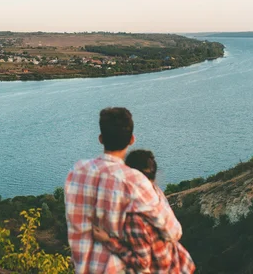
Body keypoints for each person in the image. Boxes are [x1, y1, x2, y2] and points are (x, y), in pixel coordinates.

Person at [65, 107, 182, 274]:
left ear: (100, 139)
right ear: (132, 140)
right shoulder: (136, 181)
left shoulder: (76, 173)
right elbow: (173, 232)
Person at [92, 150, 195, 273]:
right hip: (178, 265)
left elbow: (142, 263)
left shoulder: (135, 217)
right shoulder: (155, 193)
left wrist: (108, 240)